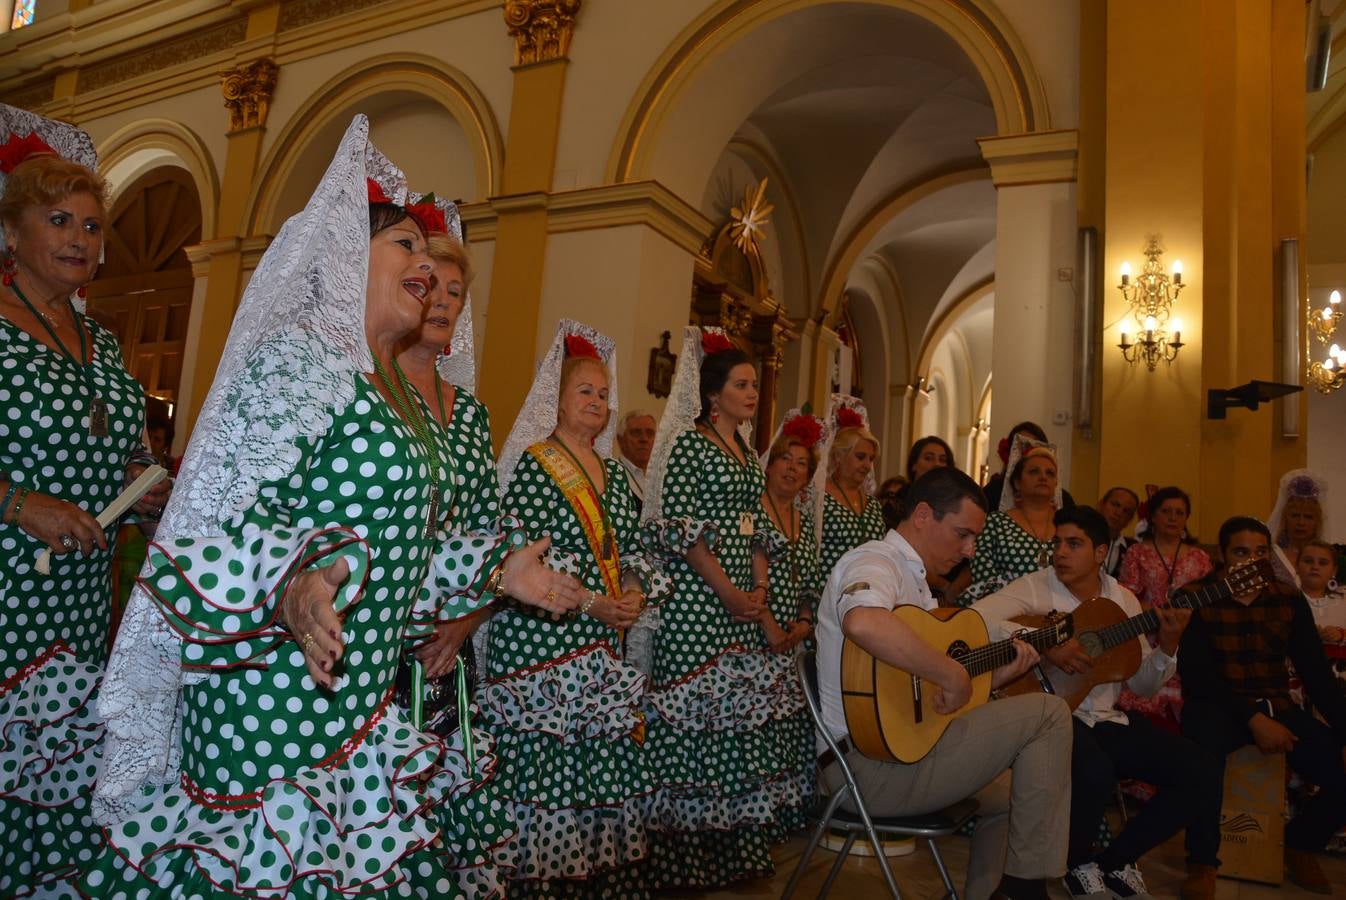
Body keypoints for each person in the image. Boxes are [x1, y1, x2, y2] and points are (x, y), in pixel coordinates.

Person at [78, 117, 584, 898]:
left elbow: (393, 553)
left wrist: (493, 570)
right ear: (345, 256)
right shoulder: (302, 360)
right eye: (405, 246)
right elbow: (226, 519)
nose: (426, 263)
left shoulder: (390, 391)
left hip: (355, 692)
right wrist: (293, 580)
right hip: (268, 688)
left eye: (428, 248)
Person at [0, 103, 171, 895]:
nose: (80, 239)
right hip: (6, 586)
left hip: (72, 605)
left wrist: (145, 488)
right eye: (59, 219)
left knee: (50, 793)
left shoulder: (101, 340)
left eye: (94, 227)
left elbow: (125, 447)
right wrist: (15, 502)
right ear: (10, 231)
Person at [815, 467, 1071, 900]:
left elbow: (925, 701)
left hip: (905, 753)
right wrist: (950, 671)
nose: (969, 550)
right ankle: (1027, 888)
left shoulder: (918, 585)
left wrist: (995, 676)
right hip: (865, 769)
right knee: (1050, 713)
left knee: (1021, 792)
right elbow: (863, 620)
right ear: (922, 515)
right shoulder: (875, 561)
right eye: (962, 534)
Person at [481, 321, 661, 898]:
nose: (598, 402)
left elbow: (629, 549)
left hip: (596, 648)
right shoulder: (539, 463)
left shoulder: (612, 473)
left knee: (590, 777)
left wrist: (632, 589)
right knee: (546, 778)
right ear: (556, 397)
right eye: (585, 390)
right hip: (545, 647)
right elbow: (527, 563)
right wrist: (593, 604)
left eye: (604, 394)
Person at [974, 506, 1221, 900]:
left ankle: (1113, 861)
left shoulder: (1122, 599)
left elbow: (1142, 685)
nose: (1061, 553)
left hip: (1104, 719)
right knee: (1094, 771)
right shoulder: (1036, 586)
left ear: (1101, 552)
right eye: (1057, 543)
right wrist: (1047, 640)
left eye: (1074, 544)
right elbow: (976, 619)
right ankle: (1069, 865)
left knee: (1202, 770)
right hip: (1047, 713)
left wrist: (1168, 646)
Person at [640, 327, 799, 888]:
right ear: (714, 395)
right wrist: (727, 591)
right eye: (741, 384)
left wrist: (757, 587)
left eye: (755, 383)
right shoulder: (689, 441)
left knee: (733, 722)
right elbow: (682, 531)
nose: (752, 392)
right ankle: (682, 856)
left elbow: (754, 524)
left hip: (740, 601)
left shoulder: (744, 450)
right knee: (694, 722)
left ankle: (734, 851)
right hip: (698, 601)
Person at [394, 226, 514, 895]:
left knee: (443, 799)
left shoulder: (470, 414)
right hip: (377, 642)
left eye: (456, 292)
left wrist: (465, 622)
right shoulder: (371, 390)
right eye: (430, 286)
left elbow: (487, 536)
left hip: (451, 644)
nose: (441, 302)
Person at [1179, 517, 1346, 895]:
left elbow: (1316, 674)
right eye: (1241, 552)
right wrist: (1253, 718)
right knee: (1201, 760)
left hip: (1277, 705)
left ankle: (1301, 844)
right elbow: (1198, 678)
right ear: (1221, 555)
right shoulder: (1196, 596)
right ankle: (1202, 862)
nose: (1252, 561)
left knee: (1338, 767)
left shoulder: (1286, 598)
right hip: (1217, 706)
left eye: (1260, 553)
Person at [758, 410, 826, 829]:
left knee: (787, 727)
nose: (793, 468)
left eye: (802, 464)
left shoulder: (804, 519)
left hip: (792, 639)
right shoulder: (752, 510)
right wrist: (769, 626)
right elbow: (742, 569)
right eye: (786, 458)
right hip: (753, 632)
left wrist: (803, 621)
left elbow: (810, 582)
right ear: (770, 462)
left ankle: (782, 813)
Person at [1117, 485, 1212, 733]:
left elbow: (1210, 604)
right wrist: (1158, 611)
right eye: (1166, 511)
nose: (1173, 517)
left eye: (1180, 512)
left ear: (1187, 518)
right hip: (1148, 637)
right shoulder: (1137, 552)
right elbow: (1125, 596)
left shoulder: (1200, 557)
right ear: (1153, 517)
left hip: (1190, 639)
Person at [958, 436, 1061, 605]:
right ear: (1017, 483)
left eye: (1050, 473)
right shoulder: (995, 523)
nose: (1043, 477)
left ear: (1056, 483)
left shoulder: (1068, 526)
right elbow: (984, 577)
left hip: (1059, 612)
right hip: (1003, 611)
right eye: (1034, 471)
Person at [817, 397, 886, 577]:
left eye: (871, 459)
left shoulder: (872, 503)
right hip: (828, 586)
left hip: (866, 587)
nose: (867, 465)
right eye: (860, 457)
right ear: (839, 456)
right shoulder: (820, 497)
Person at [983, 421, 1075, 512]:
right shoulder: (992, 493)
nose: (1043, 477)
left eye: (1049, 473)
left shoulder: (1064, 501)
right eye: (1023, 446)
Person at [1268, 469, 1331, 576]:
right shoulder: (1271, 555)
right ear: (1285, 519)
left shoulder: (1327, 558)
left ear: (1317, 522)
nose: (1301, 522)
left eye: (1308, 517)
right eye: (1295, 516)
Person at [616, 408, 656, 507]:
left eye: (650, 433)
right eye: (636, 433)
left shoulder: (662, 475)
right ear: (621, 440)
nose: (644, 439)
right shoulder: (611, 474)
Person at [1097, 485, 1140, 577]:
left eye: (1126, 511)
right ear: (1101, 504)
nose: (1118, 513)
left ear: (1129, 520)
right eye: (1115, 505)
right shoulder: (1080, 537)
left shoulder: (1133, 549)